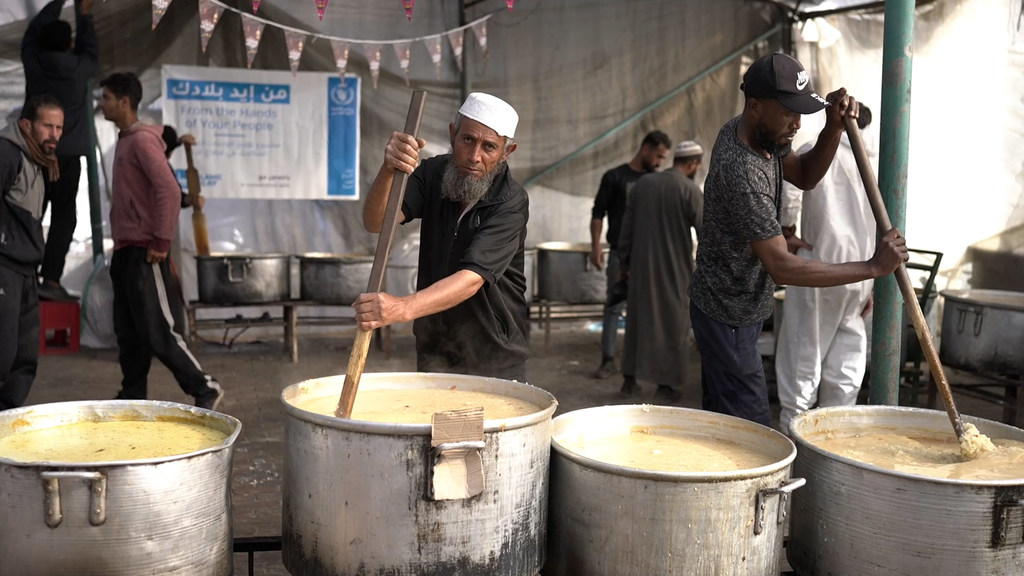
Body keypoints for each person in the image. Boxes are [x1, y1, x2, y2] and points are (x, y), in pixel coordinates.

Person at [688, 52, 908, 427]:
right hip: (727, 315)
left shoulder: (761, 133)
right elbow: (782, 266)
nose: (797, 122)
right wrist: (873, 267)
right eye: (790, 112)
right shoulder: (743, 172)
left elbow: (805, 176)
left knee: (724, 426)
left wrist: (833, 128)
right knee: (752, 429)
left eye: (802, 112)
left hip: (738, 307)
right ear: (755, 106)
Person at [354, 92, 529, 381]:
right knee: (436, 426)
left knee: (487, 427)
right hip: (434, 348)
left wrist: (400, 307)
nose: (474, 157)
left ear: (506, 152)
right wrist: (389, 170)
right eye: (467, 140)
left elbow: (471, 279)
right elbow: (376, 222)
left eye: (489, 147)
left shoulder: (510, 201)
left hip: (493, 354)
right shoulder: (433, 173)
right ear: (452, 134)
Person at [97, 72, 224, 410]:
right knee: (129, 332)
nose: (101, 103)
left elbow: (166, 189)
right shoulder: (127, 141)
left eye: (106, 98)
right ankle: (132, 395)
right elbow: (156, 191)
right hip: (125, 250)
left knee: (157, 329)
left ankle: (205, 386)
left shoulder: (140, 140)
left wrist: (161, 241)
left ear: (124, 102)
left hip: (145, 251)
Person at [774, 105, 878, 433]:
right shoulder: (876, 164)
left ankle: (794, 448)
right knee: (844, 371)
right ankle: (833, 446)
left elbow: (789, 197)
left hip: (819, 269)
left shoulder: (811, 151)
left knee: (803, 361)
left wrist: (788, 233)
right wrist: (871, 284)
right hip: (860, 274)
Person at [22, 0, 99, 302]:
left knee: (29, 213)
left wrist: (58, 2)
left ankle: (24, 274)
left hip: (33, 152)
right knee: (64, 217)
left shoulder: (33, 62)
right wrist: (84, 12)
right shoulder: (81, 68)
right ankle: (51, 280)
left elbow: (32, 33)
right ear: (70, 44)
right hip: (67, 156)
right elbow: (89, 47)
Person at [618, 140, 704, 402]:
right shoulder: (689, 189)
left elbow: (626, 230)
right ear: (692, 165)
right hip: (675, 270)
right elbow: (706, 233)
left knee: (637, 323)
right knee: (674, 324)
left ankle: (629, 380)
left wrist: (625, 264)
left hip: (640, 269)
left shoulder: (642, 184)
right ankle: (666, 384)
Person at [589, 130, 672, 379]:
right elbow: (598, 213)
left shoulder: (657, 182)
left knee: (646, 309)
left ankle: (638, 365)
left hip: (648, 257)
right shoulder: (615, 177)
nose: (659, 163)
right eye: (658, 156)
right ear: (645, 148)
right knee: (614, 306)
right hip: (619, 254)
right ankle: (607, 360)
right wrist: (595, 246)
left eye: (663, 159)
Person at [0, 94, 64, 411]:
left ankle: (5, 425)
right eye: (47, 126)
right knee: (2, 356)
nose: (54, 134)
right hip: (4, 268)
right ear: (27, 125)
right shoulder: (7, 154)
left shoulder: (39, 162)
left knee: (24, 358)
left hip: (26, 271)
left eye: (59, 127)